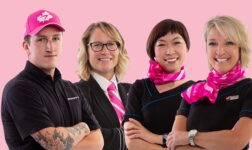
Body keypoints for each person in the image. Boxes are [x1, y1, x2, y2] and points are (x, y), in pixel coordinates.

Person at [1, 10, 104, 150]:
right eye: (41, 39)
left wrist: (65, 142)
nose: (50, 47)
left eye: (55, 38)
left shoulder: (72, 89)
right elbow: (55, 144)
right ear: (26, 47)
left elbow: (98, 142)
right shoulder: (18, 89)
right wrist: (84, 127)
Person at [167, 15, 252, 150]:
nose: (220, 51)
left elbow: (236, 141)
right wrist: (219, 142)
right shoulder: (194, 90)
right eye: (212, 43)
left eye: (229, 43)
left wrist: (189, 137)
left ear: (240, 48)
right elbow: (174, 143)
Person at [123, 19, 194, 150]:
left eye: (176, 42)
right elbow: (132, 142)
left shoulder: (196, 90)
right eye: (161, 45)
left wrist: (151, 137)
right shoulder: (140, 87)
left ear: (187, 47)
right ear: (153, 52)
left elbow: (197, 140)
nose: (169, 51)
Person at [75, 21, 130, 150]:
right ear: (86, 50)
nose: (105, 51)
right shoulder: (75, 93)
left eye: (111, 44)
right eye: (97, 45)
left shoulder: (134, 90)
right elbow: (84, 140)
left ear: (119, 50)